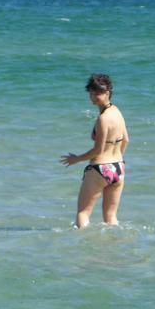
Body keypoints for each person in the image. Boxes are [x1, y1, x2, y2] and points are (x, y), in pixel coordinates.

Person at [61, 74, 130, 228]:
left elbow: (98, 150)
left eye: (98, 93)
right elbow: (126, 140)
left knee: (83, 213)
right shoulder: (117, 111)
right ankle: (113, 241)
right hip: (118, 169)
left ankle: (82, 241)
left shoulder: (103, 119)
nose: (93, 97)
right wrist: (117, 160)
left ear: (108, 93)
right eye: (91, 93)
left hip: (100, 169)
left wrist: (76, 159)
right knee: (111, 216)